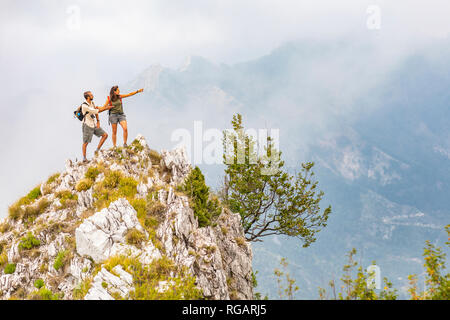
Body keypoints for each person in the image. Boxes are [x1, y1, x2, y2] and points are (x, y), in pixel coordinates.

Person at [81, 91, 113, 163]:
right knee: (85, 142)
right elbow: (96, 111)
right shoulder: (84, 106)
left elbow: (96, 111)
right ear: (88, 97)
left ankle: (97, 151)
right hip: (87, 125)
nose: (93, 96)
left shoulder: (92, 103)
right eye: (91, 95)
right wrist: (106, 108)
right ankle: (84, 158)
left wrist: (98, 121)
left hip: (94, 124)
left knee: (105, 135)